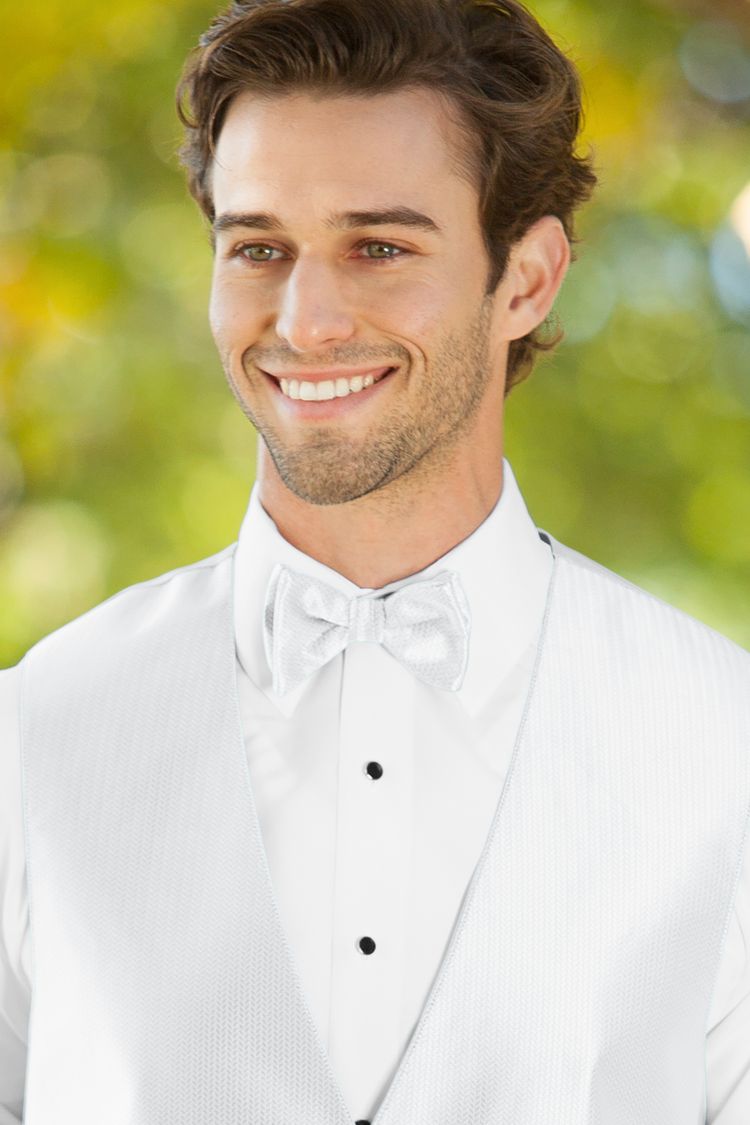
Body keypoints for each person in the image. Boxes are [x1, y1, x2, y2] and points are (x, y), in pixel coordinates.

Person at [1, 0, 748, 1120]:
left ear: (529, 280)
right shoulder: (37, 733)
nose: (304, 321)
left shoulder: (722, 746)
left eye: (379, 246)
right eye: (259, 248)